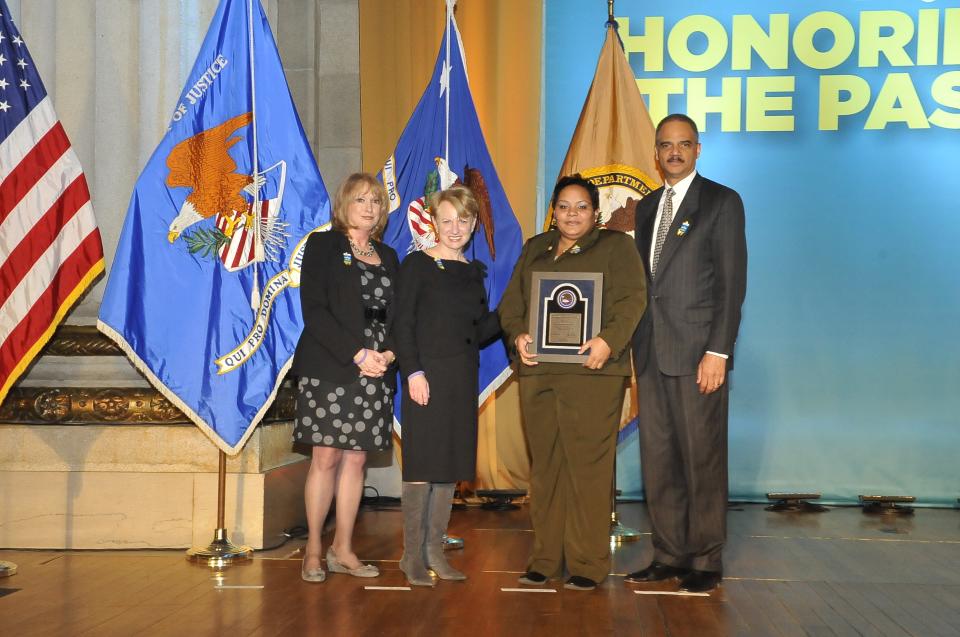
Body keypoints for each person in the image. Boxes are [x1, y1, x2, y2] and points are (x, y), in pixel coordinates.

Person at [498, 175, 646, 591]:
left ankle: (587, 563)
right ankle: (545, 559)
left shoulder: (616, 247)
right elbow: (511, 306)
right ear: (554, 211)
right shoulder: (535, 248)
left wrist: (608, 341)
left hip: (593, 373)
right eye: (564, 206)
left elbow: (633, 300)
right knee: (545, 468)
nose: (572, 214)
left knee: (588, 469)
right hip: (540, 372)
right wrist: (518, 336)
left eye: (581, 207)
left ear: (596, 212)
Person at [626, 114, 747, 593]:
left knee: (702, 459)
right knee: (659, 459)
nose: (673, 152)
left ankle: (705, 558)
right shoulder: (646, 207)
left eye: (683, 144)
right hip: (650, 352)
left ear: (698, 149)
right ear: (656, 153)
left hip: (699, 355)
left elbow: (731, 285)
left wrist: (718, 351)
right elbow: (647, 285)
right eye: (665, 145)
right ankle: (669, 553)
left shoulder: (721, 201)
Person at [291, 173, 400, 583]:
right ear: (343, 205)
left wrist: (388, 354)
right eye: (360, 200)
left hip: (377, 370)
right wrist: (357, 353)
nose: (369, 207)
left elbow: (400, 317)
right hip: (331, 366)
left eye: (375, 200)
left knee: (356, 460)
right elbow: (314, 310)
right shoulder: (323, 245)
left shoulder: (389, 256)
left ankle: (344, 549)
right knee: (326, 458)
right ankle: (313, 551)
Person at [392, 184, 501, 587]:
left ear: (473, 224)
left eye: (463, 220)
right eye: (447, 220)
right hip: (426, 377)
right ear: (434, 223)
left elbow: (479, 330)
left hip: (461, 378)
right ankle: (411, 556)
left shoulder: (473, 272)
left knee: (449, 468)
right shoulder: (416, 265)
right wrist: (413, 373)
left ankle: (434, 551)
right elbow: (401, 325)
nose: (456, 228)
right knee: (423, 465)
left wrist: (516, 309)